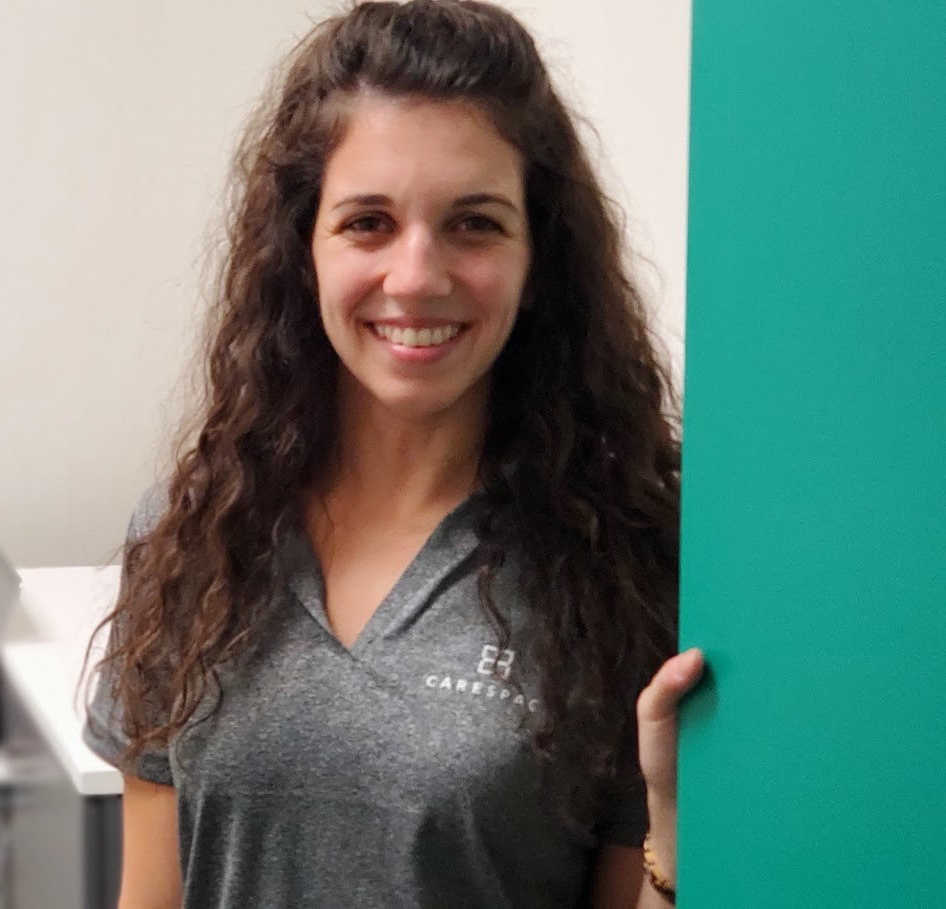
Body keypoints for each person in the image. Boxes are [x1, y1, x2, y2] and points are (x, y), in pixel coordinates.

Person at [83, 2, 706, 907]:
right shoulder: (194, 535)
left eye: (474, 223)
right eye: (367, 221)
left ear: (539, 260)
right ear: (302, 248)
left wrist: (678, 841)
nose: (416, 277)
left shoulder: (622, 563)